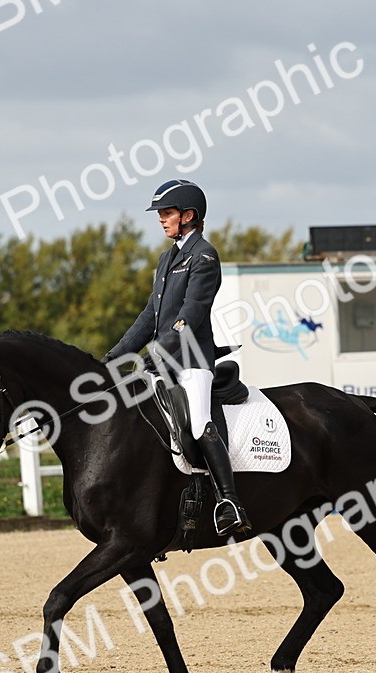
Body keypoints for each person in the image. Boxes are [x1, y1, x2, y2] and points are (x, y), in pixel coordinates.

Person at [101, 179, 251, 538]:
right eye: (162, 214)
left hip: (193, 362)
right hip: (164, 361)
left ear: (189, 216)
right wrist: (114, 355)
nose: (161, 220)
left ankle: (230, 502)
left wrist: (155, 352)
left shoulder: (203, 256)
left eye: (167, 213)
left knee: (199, 423)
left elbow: (189, 317)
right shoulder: (167, 258)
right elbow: (149, 317)